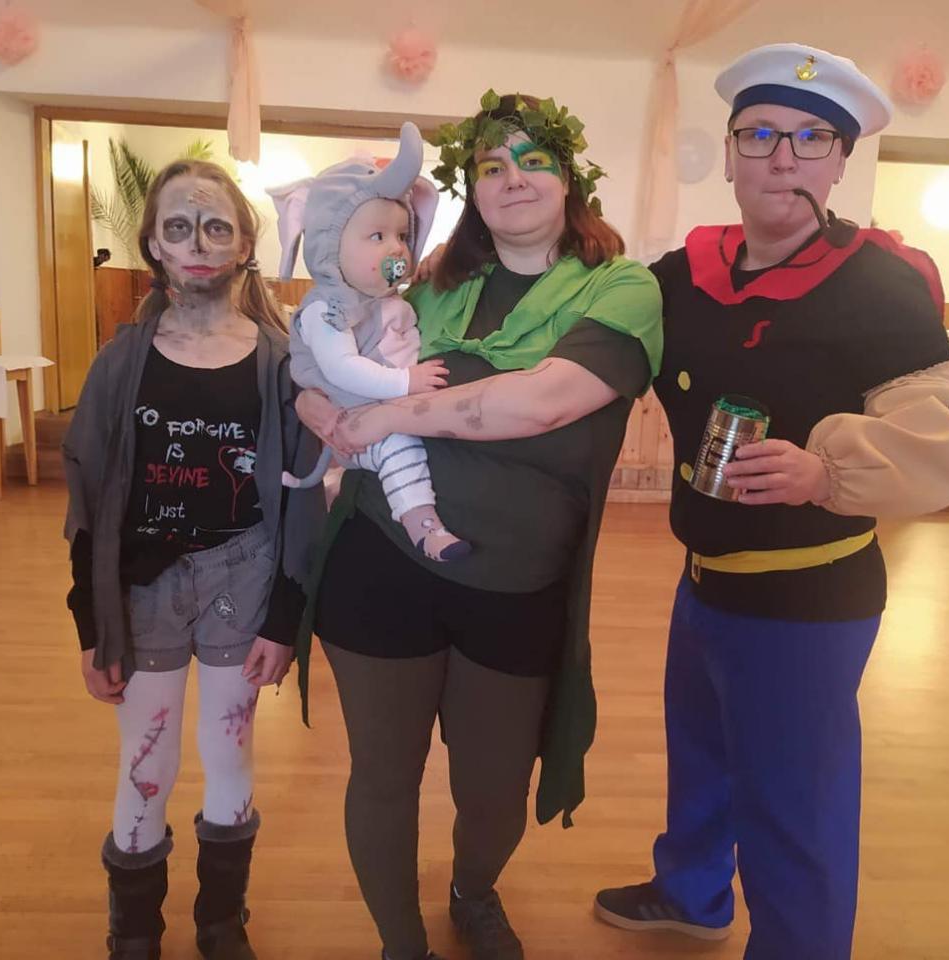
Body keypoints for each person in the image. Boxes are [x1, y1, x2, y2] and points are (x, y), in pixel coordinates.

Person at [590, 43, 949, 959]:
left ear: (840, 162)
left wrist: (828, 474)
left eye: (813, 138)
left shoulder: (879, 284)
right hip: (704, 579)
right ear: (729, 153)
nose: (784, 156)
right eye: (762, 134)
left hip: (809, 597)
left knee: (793, 804)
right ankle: (692, 894)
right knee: (702, 756)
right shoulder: (680, 276)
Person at [293, 91, 663, 960]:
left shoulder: (622, 287)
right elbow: (321, 340)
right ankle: (401, 943)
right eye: (492, 166)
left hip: (519, 579)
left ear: (570, 179)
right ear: (473, 189)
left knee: (495, 789)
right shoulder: (428, 284)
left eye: (534, 160)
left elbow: (540, 403)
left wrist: (386, 417)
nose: (513, 179)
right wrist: (316, 401)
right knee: (383, 774)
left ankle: (472, 889)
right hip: (382, 559)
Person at [62, 159, 324, 960]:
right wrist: (89, 622)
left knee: (229, 747)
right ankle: (135, 926)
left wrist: (285, 618)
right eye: (179, 227)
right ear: (154, 245)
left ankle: (219, 918)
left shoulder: (281, 363)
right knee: (147, 757)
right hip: (142, 587)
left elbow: (302, 496)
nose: (198, 243)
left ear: (245, 245)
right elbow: (87, 493)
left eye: (216, 227)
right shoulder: (121, 363)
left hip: (244, 575)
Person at [269, 121, 469, 560]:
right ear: (331, 246)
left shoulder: (386, 300)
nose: (396, 249)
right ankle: (423, 526)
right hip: (357, 420)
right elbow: (341, 368)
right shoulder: (327, 308)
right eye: (378, 236)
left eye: (402, 236)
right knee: (400, 447)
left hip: (386, 412)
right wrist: (406, 382)